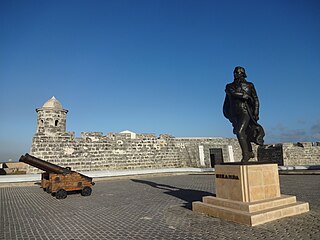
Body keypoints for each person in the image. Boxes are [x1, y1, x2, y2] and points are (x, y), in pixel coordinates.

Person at [223, 66, 265, 163]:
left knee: (239, 131)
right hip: (234, 113)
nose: (235, 74)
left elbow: (255, 99)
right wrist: (244, 96)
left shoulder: (250, 85)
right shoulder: (229, 86)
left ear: (242, 73)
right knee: (244, 133)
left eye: (237, 72)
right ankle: (249, 152)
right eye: (234, 72)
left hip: (245, 111)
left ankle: (246, 154)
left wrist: (256, 111)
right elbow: (229, 98)